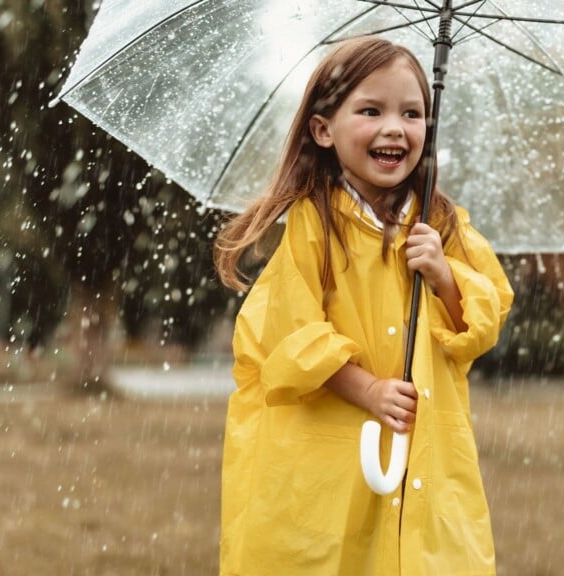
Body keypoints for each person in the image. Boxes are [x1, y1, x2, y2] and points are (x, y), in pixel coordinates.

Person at [213, 36, 513, 576]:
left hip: (424, 452)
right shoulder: (312, 225)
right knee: (345, 556)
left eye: (412, 113)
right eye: (371, 110)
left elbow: (485, 314)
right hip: (333, 458)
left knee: (418, 556)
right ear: (323, 129)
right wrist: (367, 389)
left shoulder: (442, 223)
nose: (394, 128)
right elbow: (290, 337)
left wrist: (445, 277)